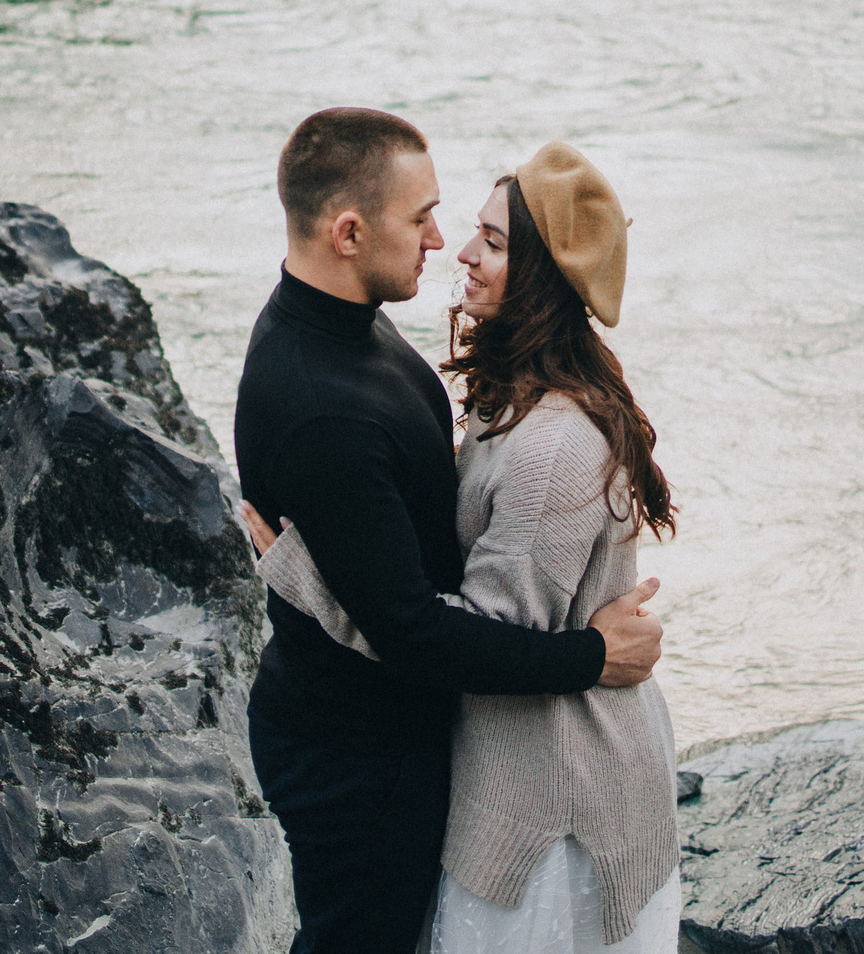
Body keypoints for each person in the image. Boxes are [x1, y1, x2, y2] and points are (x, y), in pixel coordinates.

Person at [233, 111, 666, 954]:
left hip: (416, 735)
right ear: (350, 233)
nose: (443, 241)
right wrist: (590, 654)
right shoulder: (325, 404)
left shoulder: (353, 329)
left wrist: (317, 574)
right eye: (423, 217)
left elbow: (438, 582)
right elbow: (416, 634)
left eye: (477, 232)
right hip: (355, 755)